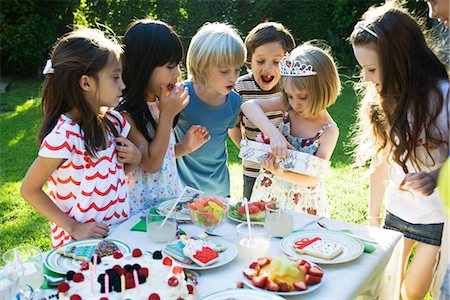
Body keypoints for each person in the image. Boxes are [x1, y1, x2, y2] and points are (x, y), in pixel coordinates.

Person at [350, 2, 449, 299]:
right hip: (397, 213)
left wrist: (436, 175)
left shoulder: (444, 98)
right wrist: (373, 220)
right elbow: (380, 163)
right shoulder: (381, 101)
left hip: (435, 219)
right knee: (385, 288)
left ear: (398, 60)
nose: (366, 78)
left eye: (371, 68)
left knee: (412, 294)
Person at [20, 28, 142, 248]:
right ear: (86, 83)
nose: (123, 85)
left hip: (118, 237)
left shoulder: (114, 123)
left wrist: (134, 157)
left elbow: (111, 175)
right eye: (115, 77)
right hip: (79, 247)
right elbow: (29, 189)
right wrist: (74, 227)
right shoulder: (65, 136)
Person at [116, 19, 210, 215]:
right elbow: (151, 163)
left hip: (167, 204)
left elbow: (162, 152)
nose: (177, 73)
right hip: (141, 212)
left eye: (177, 65)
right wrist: (167, 115)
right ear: (143, 67)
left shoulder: (158, 105)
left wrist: (185, 147)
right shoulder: (125, 113)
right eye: (169, 67)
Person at [241, 43, 340, 216]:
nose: (295, 103)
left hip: (302, 203)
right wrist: (274, 134)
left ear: (323, 89)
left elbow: (314, 178)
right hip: (269, 192)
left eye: (302, 97)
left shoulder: (329, 131)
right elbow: (249, 106)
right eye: (289, 95)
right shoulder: (289, 107)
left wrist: (281, 172)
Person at [174, 22, 246, 197]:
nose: (233, 77)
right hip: (182, 192)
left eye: (237, 70)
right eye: (224, 71)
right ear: (201, 68)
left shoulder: (234, 101)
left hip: (219, 191)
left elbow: (231, 130)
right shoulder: (181, 95)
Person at [229, 21, 296, 200]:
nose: (268, 68)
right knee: (252, 214)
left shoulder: (289, 86)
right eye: (260, 61)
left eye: (276, 62)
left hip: (284, 168)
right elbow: (233, 126)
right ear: (249, 62)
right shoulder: (241, 87)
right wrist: (245, 147)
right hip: (253, 168)